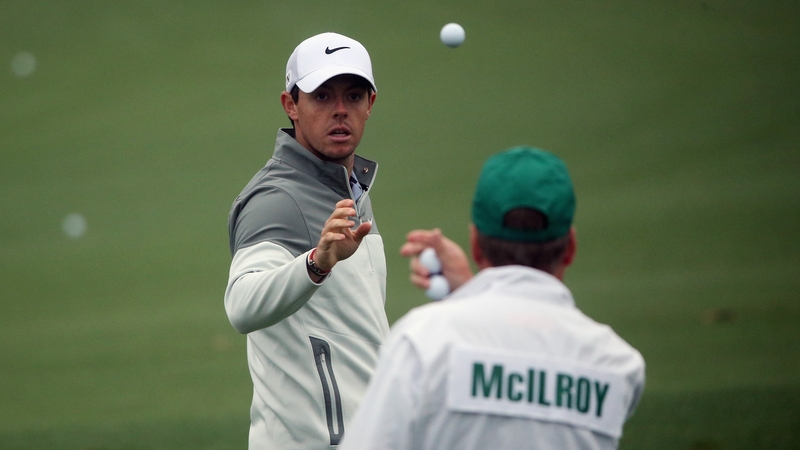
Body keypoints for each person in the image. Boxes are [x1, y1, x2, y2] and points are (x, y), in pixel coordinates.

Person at [340, 147, 645, 450]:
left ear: (475, 245)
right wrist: (471, 293)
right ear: (570, 248)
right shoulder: (618, 365)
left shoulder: (422, 343)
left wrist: (471, 296)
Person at [225, 32, 389, 449]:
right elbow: (241, 306)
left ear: (370, 104)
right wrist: (317, 263)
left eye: (353, 96)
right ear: (291, 105)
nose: (340, 111)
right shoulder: (276, 199)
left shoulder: (352, 189)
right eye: (321, 97)